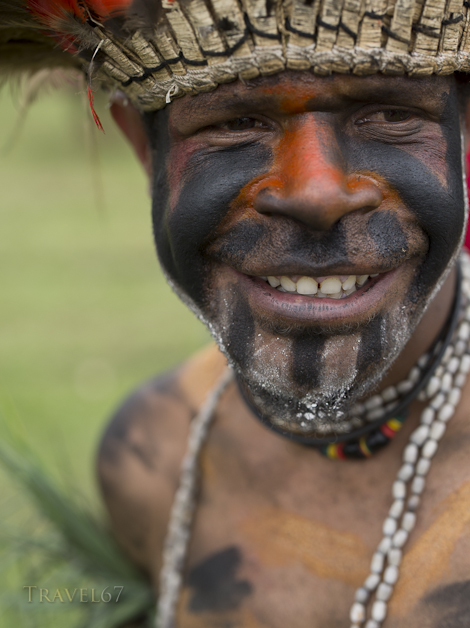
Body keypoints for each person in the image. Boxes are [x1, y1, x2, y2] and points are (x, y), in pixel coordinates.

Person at [3, 1, 470, 626]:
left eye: (389, 113)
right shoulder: (154, 462)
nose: (317, 191)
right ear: (146, 148)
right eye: (235, 122)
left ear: (464, 129)